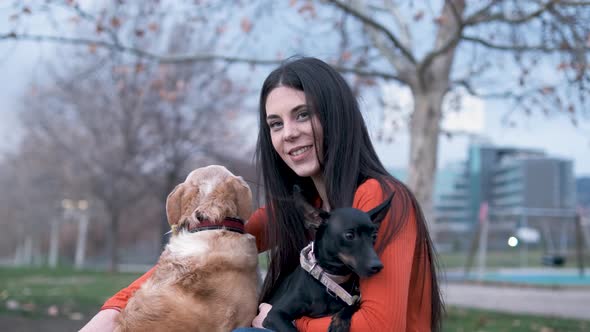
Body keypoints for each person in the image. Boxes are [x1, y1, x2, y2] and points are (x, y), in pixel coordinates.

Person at [80, 56, 443, 332]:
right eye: (276, 124)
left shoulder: (380, 198)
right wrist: (111, 312)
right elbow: (203, 252)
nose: (289, 133)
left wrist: (286, 323)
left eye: (303, 115)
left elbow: (381, 325)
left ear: (336, 116)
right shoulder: (297, 211)